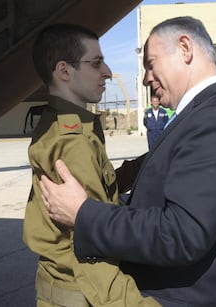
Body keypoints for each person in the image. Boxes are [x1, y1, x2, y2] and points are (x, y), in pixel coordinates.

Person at [40, 16, 216, 306]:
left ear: (185, 49)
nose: (146, 77)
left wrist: (83, 213)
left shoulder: (215, 118)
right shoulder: (204, 113)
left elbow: (181, 234)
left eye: (151, 63)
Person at [23, 23, 158, 307]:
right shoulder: (72, 142)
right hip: (82, 292)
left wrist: (153, 159)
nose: (107, 72)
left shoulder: (67, 126)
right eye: (96, 63)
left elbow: (103, 185)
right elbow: (92, 246)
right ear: (64, 71)